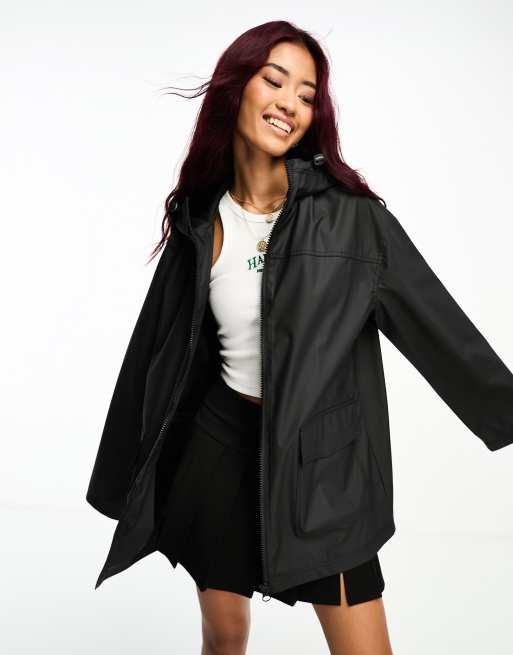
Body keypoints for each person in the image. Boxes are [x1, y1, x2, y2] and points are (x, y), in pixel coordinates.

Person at [86, 21, 513, 655]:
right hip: (217, 452)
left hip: (323, 473)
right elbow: (157, 349)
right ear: (237, 88)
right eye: (275, 81)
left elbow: (441, 331)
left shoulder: (352, 221)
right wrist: (122, 472)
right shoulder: (199, 219)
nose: (290, 103)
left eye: (307, 95)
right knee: (224, 639)